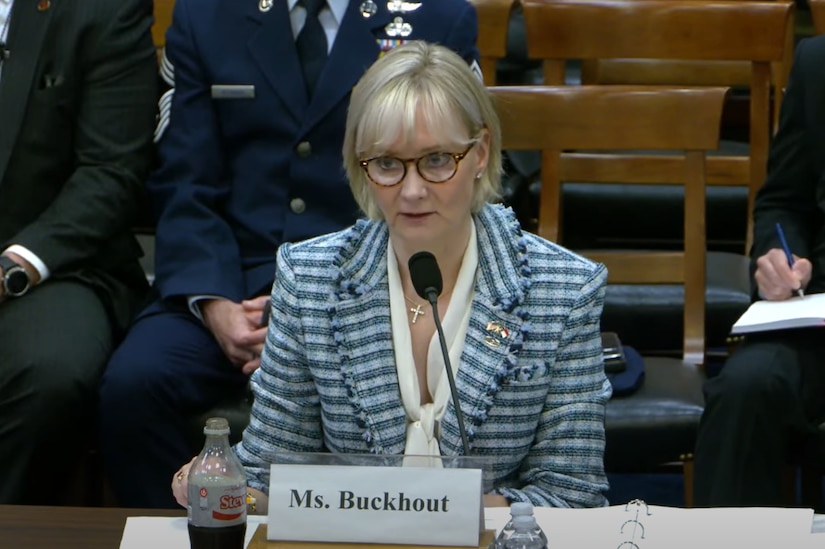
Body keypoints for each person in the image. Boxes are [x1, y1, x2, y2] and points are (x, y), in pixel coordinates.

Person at [172, 41, 612, 511]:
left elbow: (572, 497)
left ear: (480, 152)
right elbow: (267, 473)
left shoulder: (563, 289)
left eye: (437, 160)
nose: (412, 190)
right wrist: (221, 486)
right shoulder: (310, 280)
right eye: (387, 164)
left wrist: (429, 514)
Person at [100, 0, 481, 508]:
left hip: (374, 287)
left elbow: (440, 189)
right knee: (133, 386)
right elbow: (183, 182)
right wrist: (214, 302)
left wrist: (314, 327)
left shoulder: (437, 16)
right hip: (231, 280)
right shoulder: (206, 15)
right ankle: (200, 532)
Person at [0, 0, 157, 504]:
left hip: (53, 262)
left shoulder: (103, 10)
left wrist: (13, 266)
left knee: (52, 371)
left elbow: (110, 172)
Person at [693, 35, 825, 507]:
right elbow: (784, 201)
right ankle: (732, 539)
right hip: (818, 311)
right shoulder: (818, 64)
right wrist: (777, 256)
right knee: (746, 389)